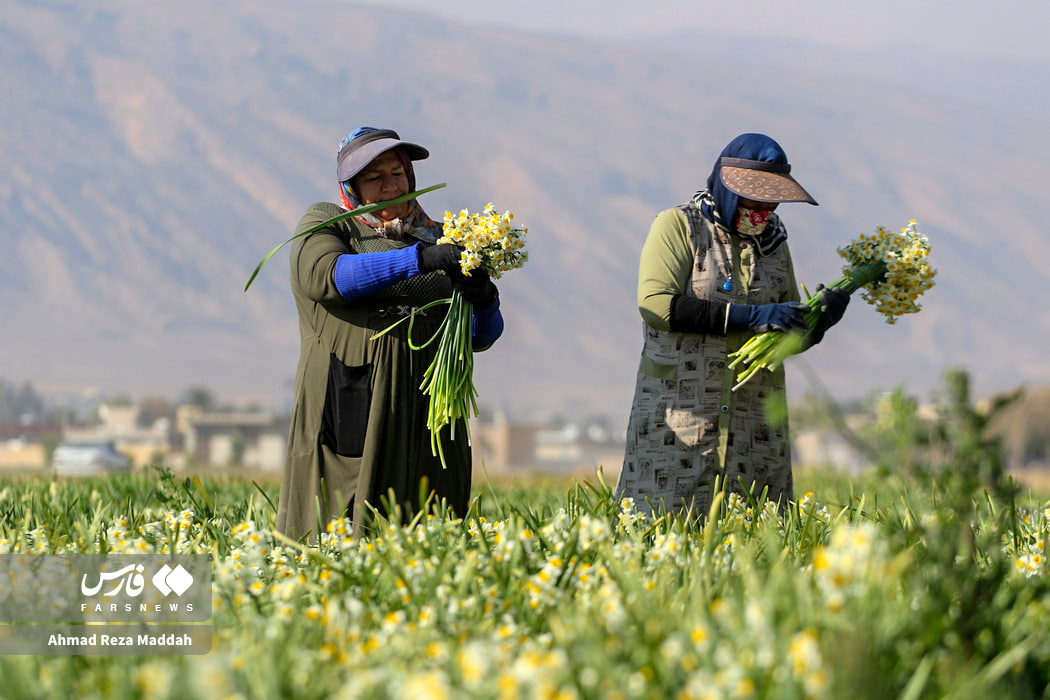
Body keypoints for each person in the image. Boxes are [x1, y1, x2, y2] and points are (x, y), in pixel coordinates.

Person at [276, 126, 503, 540]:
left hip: (429, 412)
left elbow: (478, 336)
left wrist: (484, 298)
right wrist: (419, 260)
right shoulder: (329, 223)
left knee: (427, 526)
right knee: (343, 522)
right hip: (353, 401)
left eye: (397, 173)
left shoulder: (440, 236)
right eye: (373, 177)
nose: (390, 186)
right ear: (351, 187)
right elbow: (330, 277)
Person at [613, 133, 849, 518]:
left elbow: (780, 335)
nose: (762, 211)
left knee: (751, 533)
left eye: (770, 203)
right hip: (683, 416)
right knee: (661, 526)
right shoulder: (679, 227)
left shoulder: (774, 244)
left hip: (751, 425)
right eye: (752, 200)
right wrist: (749, 316)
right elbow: (655, 305)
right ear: (725, 189)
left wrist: (817, 324)